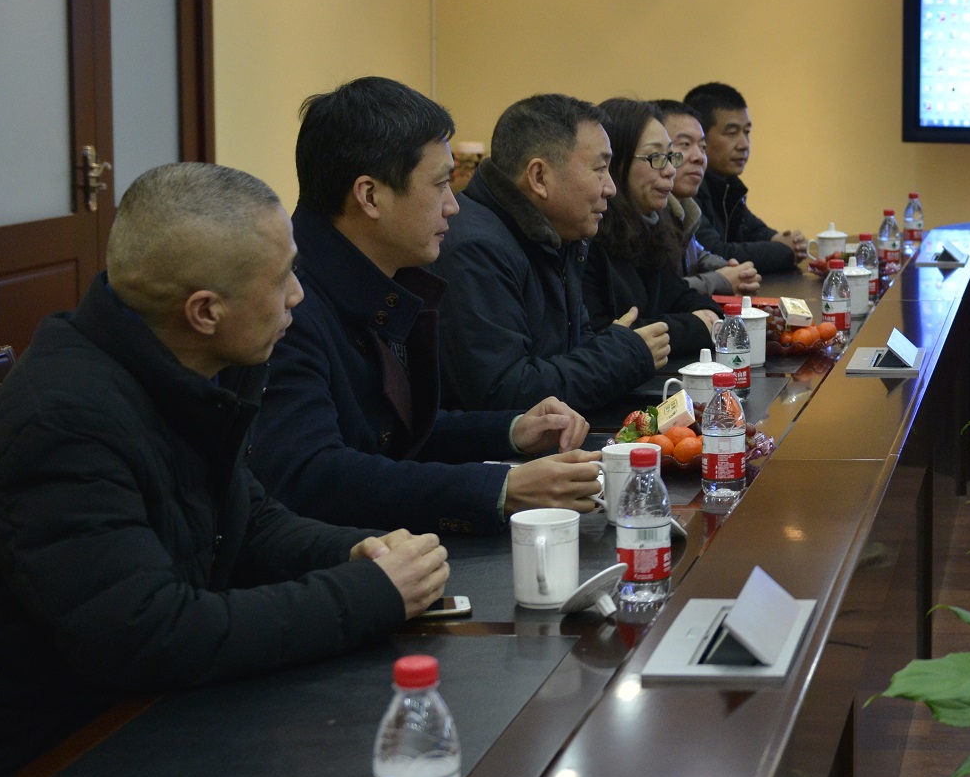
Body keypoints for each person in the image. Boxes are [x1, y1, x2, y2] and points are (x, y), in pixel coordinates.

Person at [0, 164, 447, 777]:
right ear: (205, 311)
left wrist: (353, 551)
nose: (298, 296)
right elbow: (152, 636)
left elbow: (247, 519)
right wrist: (367, 595)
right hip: (32, 775)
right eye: (282, 278)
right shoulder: (64, 423)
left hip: (140, 720)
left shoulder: (188, 362)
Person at [253, 78, 603, 539]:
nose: (453, 207)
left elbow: (397, 430)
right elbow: (313, 475)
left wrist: (513, 429)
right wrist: (504, 488)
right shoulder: (286, 305)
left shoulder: (375, 276)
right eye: (440, 185)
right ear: (370, 196)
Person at [435, 94, 669, 412]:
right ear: (539, 177)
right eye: (600, 169)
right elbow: (504, 392)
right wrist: (624, 355)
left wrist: (618, 348)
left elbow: (576, 348)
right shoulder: (476, 250)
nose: (611, 188)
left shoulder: (560, 234)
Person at [586, 98, 721, 361]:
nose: (670, 170)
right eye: (656, 157)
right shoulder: (588, 238)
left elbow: (687, 299)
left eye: (670, 156)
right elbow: (608, 338)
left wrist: (707, 318)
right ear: (615, 163)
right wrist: (695, 327)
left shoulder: (649, 228)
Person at [684, 81, 806, 276]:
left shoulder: (728, 184)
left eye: (747, 132)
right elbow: (717, 252)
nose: (744, 144)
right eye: (732, 133)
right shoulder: (687, 187)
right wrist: (785, 250)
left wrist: (782, 239)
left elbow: (754, 230)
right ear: (700, 137)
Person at [653, 98, 760, 299]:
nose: (700, 157)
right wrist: (722, 279)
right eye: (685, 144)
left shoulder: (685, 207)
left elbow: (697, 254)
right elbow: (661, 291)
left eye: (702, 147)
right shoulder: (649, 212)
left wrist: (731, 270)